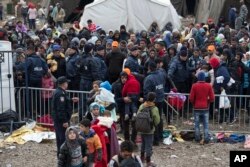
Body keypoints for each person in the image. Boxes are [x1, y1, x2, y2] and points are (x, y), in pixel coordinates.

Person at [52, 76, 79, 156]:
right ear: (64, 84)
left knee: (61, 137)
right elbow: (61, 108)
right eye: (66, 82)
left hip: (59, 119)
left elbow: (62, 104)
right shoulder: (60, 94)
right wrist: (64, 121)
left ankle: (61, 154)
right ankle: (62, 154)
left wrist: (70, 100)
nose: (67, 84)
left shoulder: (60, 92)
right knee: (63, 138)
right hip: (61, 120)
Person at [143, 61, 166, 146]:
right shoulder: (161, 74)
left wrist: (146, 100)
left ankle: (155, 139)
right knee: (159, 118)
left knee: (153, 120)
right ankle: (160, 136)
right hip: (161, 99)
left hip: (153, 102)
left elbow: (146, 91)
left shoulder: (149, 78)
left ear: (149, 68)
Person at [190, 71, 215, 144]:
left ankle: (197, 138)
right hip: (205, 107)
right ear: (205, 78)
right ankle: (206, 138)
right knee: (206, 124)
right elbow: (212, 98)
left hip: (196, 107)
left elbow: (191, 98)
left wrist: (194, 103)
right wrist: (208, 102)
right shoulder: (208, 86)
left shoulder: (194, 86)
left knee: (197, 124)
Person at [77, 43, 100, 119]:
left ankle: (81, 117)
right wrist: (97, 82)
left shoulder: (80, 58)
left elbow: (78, 69)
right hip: (89, 81)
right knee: (90, 99)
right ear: (91, 50)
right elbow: (95, 73)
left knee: (82, 99)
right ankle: (88, 118)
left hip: (82, 80)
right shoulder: (91, 60)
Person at [138, 92, 160, 167]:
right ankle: (148, 161)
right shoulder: (154, 108)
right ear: (154, 99)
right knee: (149, 146)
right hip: (150, 130)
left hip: (141, 128)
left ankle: (141, 158)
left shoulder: (142, 106)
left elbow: (138, 115)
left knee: (143, 144)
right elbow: (157, 120)